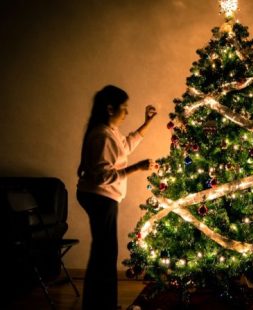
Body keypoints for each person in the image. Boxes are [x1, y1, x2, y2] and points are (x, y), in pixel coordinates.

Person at [76, 85, 157, 310]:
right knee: (104, 253)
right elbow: (103, 176)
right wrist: (136, 168)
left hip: (102, 197)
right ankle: (101, 305)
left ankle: (101, 304)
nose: (127, 113)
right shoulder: (102, 135)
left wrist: (147, 122)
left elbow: (125, 145)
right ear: (111, 109)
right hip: (100, 197)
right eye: (124, 108)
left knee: (104, 252)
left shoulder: (109, 132)